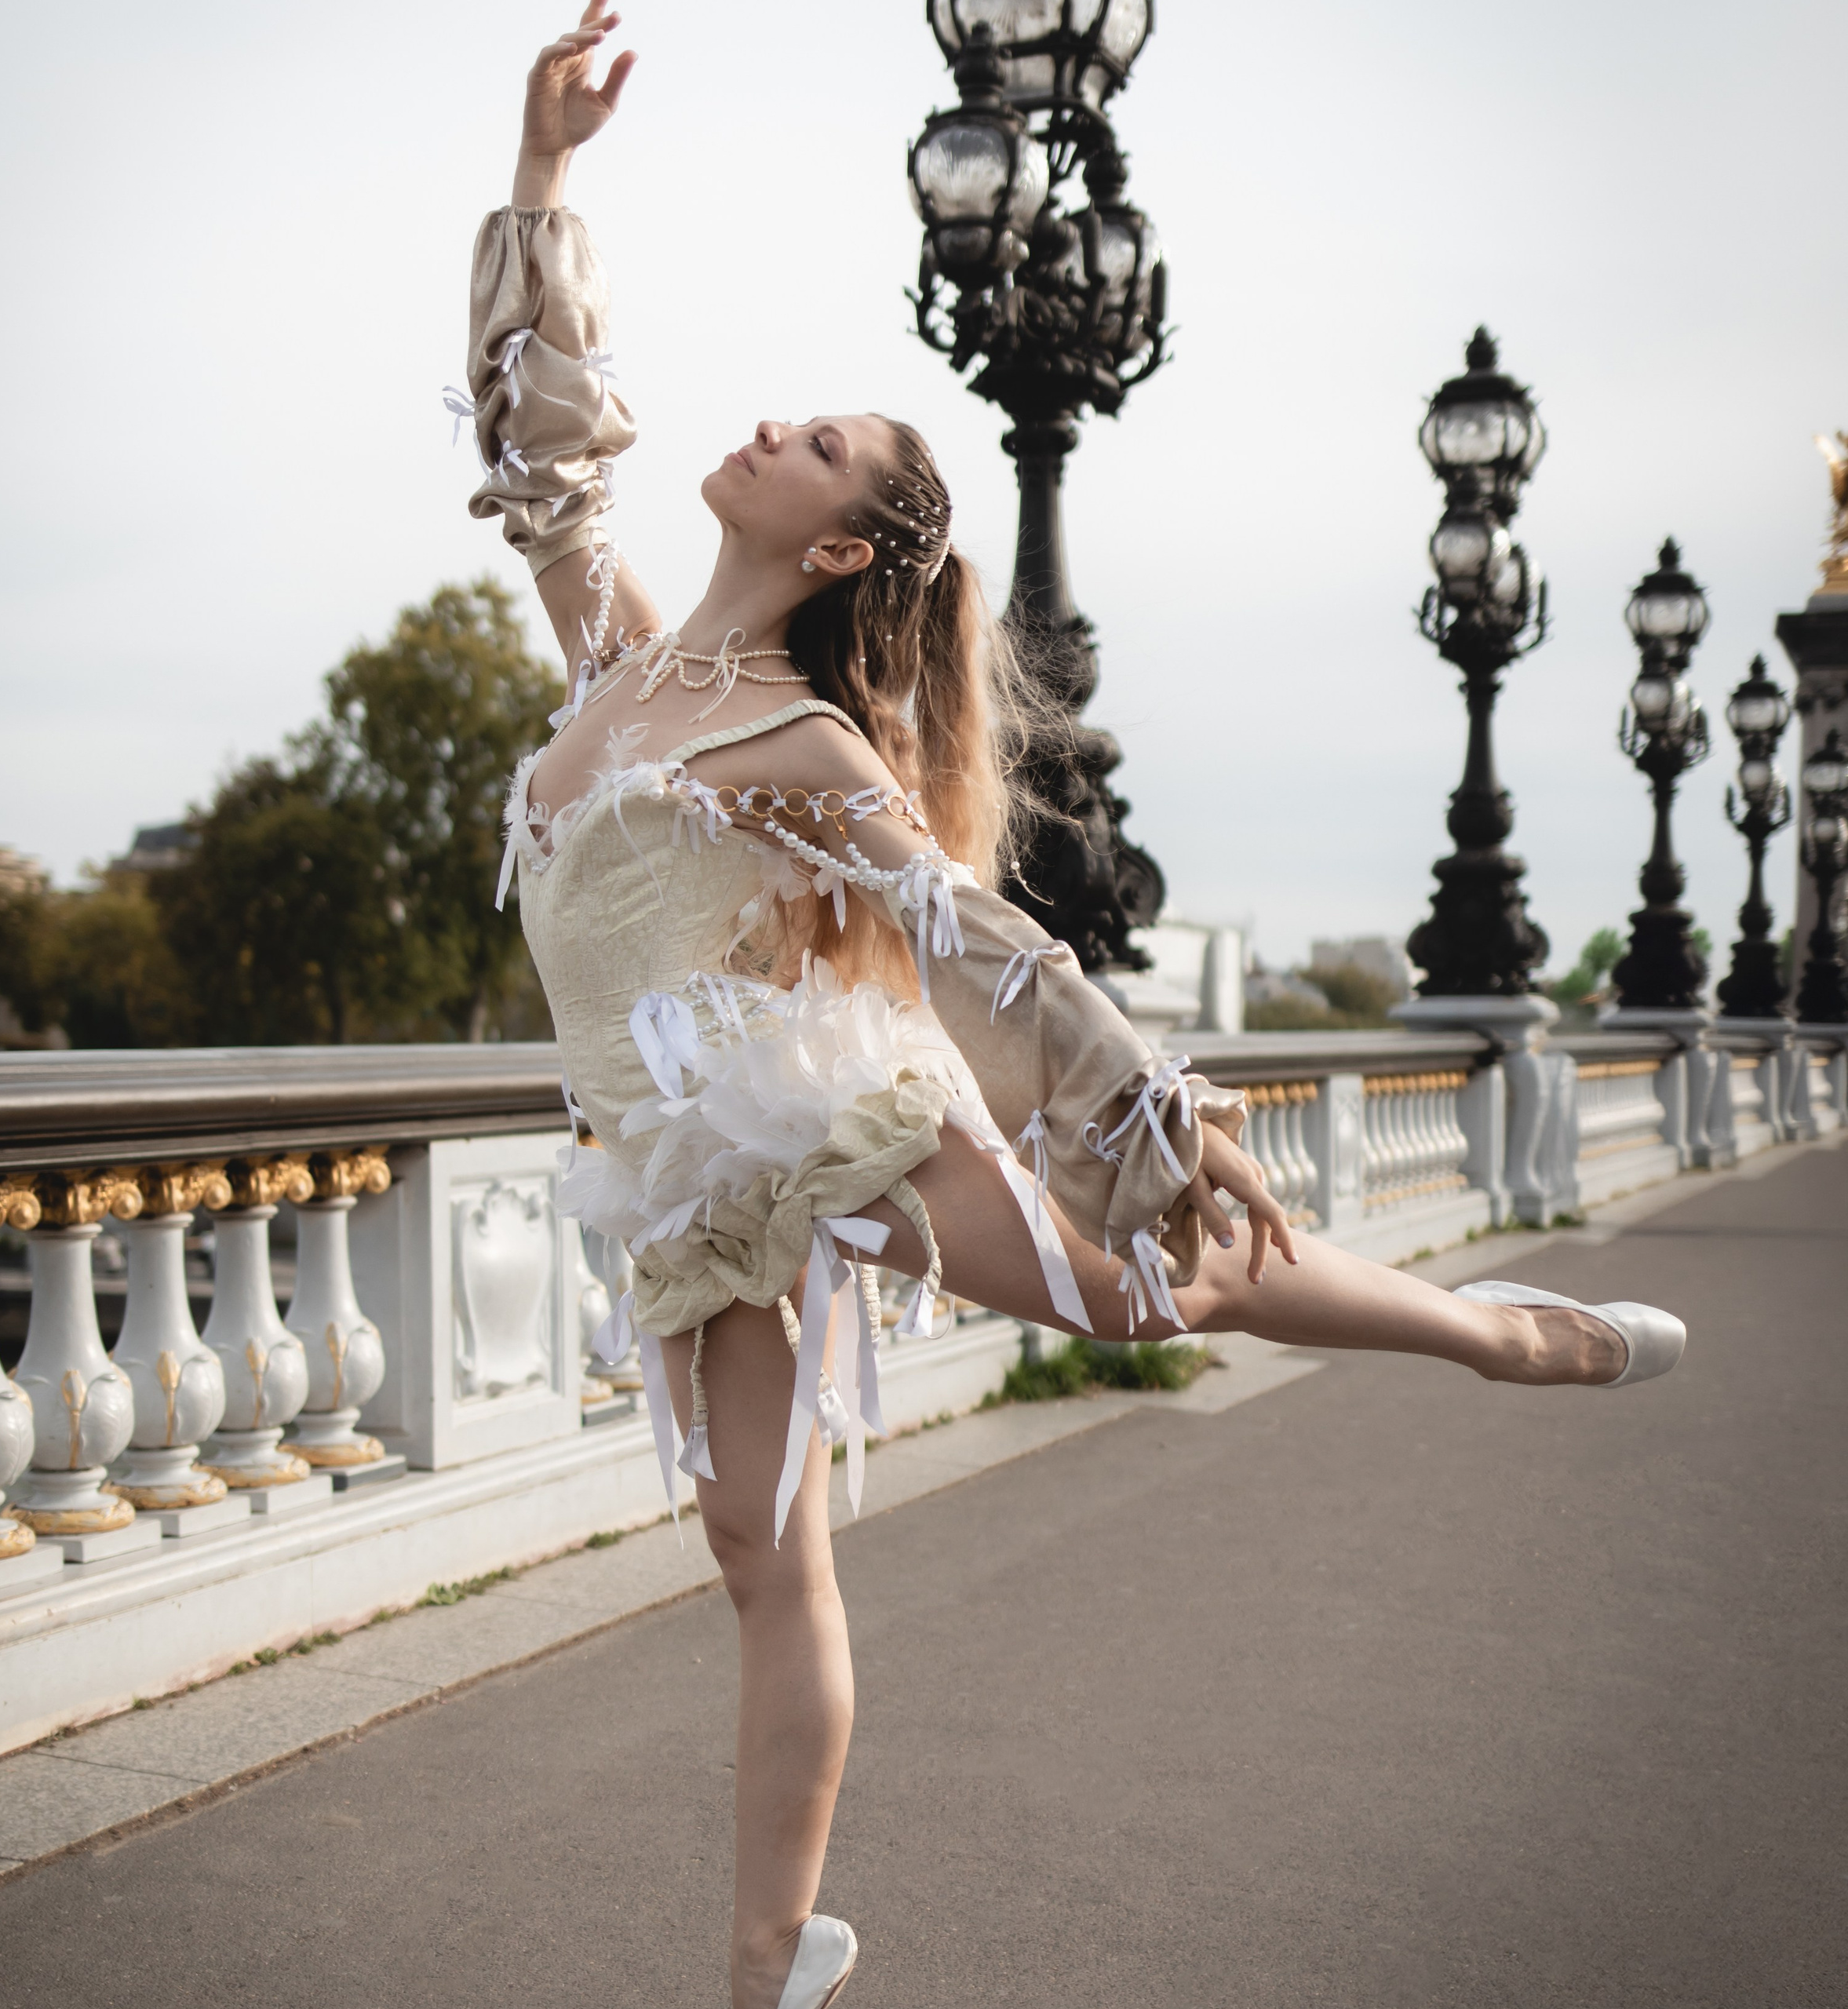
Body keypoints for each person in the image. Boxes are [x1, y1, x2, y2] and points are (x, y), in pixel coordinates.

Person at [456, 13, 1688, 2006]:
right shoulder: (613, 650)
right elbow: (542, 454)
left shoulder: (790, 738)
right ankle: (772, 1959)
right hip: (676, 1169)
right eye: (798, 417)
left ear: (837, 545)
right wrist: (543, 175)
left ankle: (1493, 1335)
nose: (771, 424)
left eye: (819, 444)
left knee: (1138, 1292)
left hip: (810, 1108)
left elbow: (975, 945)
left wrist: (1157, 1115)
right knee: (766, 1561)